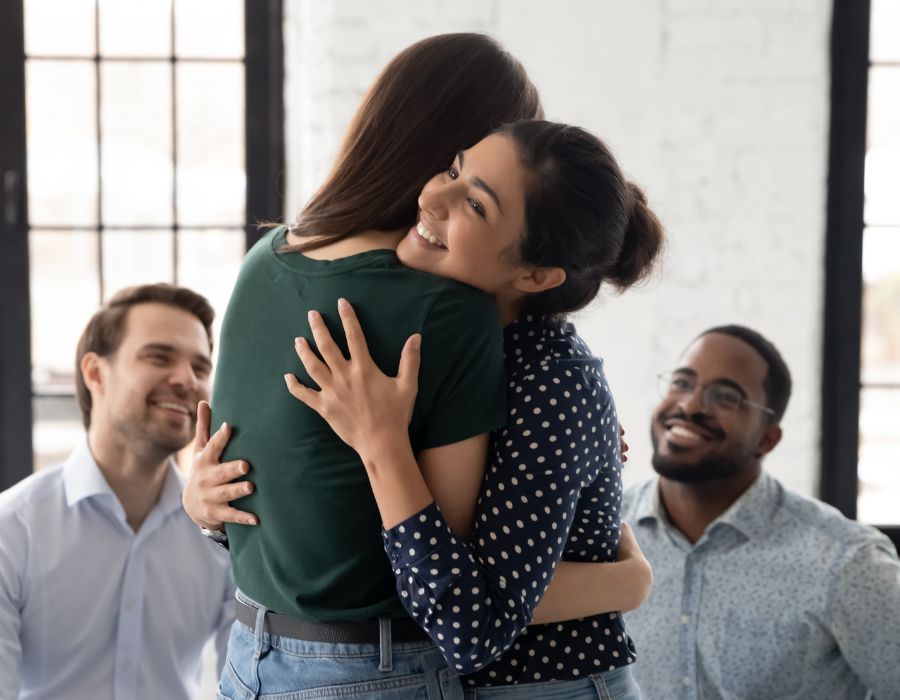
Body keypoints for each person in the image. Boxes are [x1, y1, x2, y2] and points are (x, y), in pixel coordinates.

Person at [283, 120, 662, 699]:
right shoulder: (435, 343)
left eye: (476, 206)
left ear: (535, 274)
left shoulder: (554, 383)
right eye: (454, 170)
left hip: (552, 686)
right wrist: (212, 512)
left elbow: (472, 627)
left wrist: (383, 445)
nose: (431, 196)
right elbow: (347, 530)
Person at [621, 325, 900, 699]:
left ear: (767, 438)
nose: (689, 406)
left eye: (726, 397)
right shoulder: (599, 533)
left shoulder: (847, 561)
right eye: (682, 383)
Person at [0, 284, 234, 700]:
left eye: (201, 367)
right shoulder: (12, 529)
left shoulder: (223, 538)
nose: (187, 380)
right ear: (95, 373)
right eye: (159, 357)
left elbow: (244, 680)